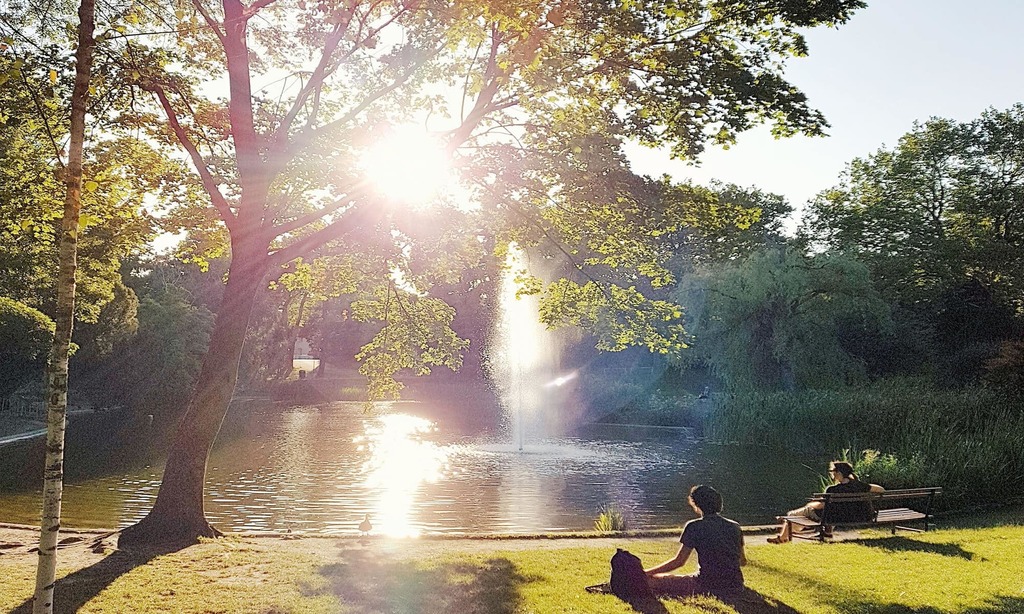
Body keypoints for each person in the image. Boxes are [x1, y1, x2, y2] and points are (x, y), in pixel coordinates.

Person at [644, 484, 746, 596]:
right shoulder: (735, 526)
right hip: (736, 585)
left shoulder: (694, 526)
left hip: (706, 584)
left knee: (652, 580)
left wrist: (646, 573)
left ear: (696, 504)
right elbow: (742, 561)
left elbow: (679, 562)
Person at [768, 460, 884, 544]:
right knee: (835, 509)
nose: (831, 474)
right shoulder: (860, 485)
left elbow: (820, 506)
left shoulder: (832, 490)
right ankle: (827, 532)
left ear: (838, 473)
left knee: (793, 515)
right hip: (858, 516)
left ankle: (783, 538)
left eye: (832, 471)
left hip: (834, 517)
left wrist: (810, 504)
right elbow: (880, 490)